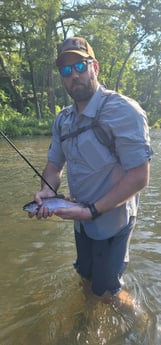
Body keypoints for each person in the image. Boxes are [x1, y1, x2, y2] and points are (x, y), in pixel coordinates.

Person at [29, 36, 153, 306]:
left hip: (113, 220)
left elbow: (139, 176)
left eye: (80, 66)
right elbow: (53, 166)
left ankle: (141, 326)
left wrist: (92, 210)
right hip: (81, 221)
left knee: (108, 292)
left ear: (94, 67)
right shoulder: (62, 120)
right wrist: (46, 194)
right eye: (65, 70)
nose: (73, 75)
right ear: (61, 77)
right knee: (85, 278)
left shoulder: (124, 111)